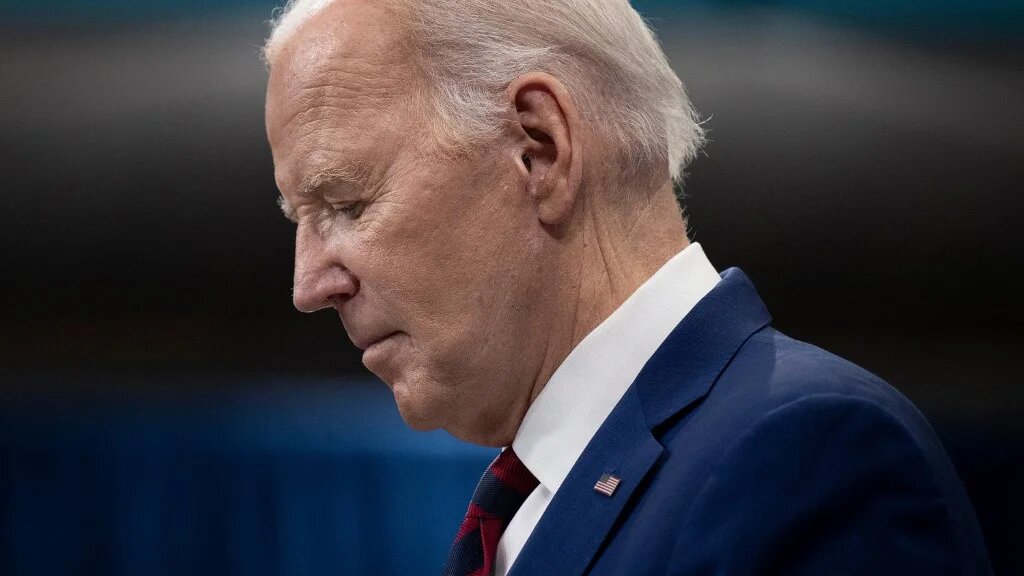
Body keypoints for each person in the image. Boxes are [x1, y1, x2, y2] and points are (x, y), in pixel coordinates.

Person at [262, 0, 992, 574]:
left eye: (348, 202)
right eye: (302, 218)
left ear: (538, 149)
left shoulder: (811, 458)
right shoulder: (529, 502)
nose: (308, 285)